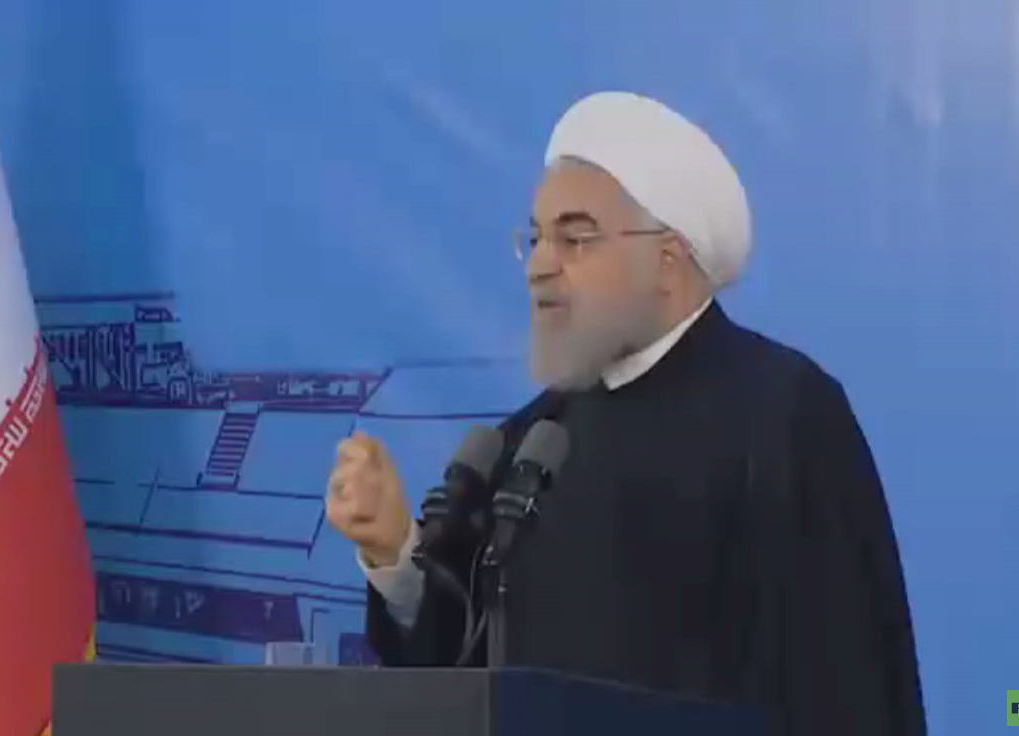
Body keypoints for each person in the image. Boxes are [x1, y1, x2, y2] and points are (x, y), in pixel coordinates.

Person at [325, 91, 927, 736]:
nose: (540, 266)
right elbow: (461, 669)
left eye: (575, 238)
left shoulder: (784, 413)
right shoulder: (532, 441)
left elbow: (842, 681)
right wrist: (394, 552)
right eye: (536, 238)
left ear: (667, 260)